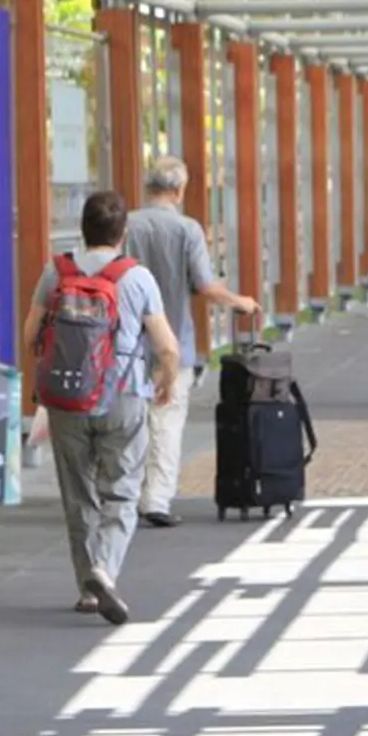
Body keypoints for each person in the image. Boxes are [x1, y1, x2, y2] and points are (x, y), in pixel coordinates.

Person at [24, 190, 181, 625]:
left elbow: (31, 332)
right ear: (123, 233)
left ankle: (87, 590)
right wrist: (164, 383)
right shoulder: (136, 277)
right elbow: (167, 346)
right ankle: (105, 570)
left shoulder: (56, 272)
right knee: (123, 490)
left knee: (79, 495)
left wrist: (47, 377)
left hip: (67, 398)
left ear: (83, 229)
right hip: (124, 395)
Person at [126, 156, 261, 529]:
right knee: (167, 419)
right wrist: (240, 302)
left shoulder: (128, 226)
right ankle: (156, 499)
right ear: (179, 190)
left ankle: (129, 494)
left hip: (127, 345)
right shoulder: (187, 230)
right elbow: (204, 284)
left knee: (132, 422)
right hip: (174, 343)